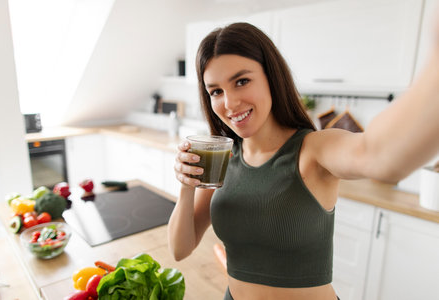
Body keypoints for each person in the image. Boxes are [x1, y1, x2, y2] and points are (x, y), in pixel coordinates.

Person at [168, 16, 439, 300]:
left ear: (271, 77)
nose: (230, 103)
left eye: (242, 81)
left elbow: (379, 155)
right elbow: (180, 248)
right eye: (216, 91)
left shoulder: (313, 150)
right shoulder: (223, 159)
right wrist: (186, 187)